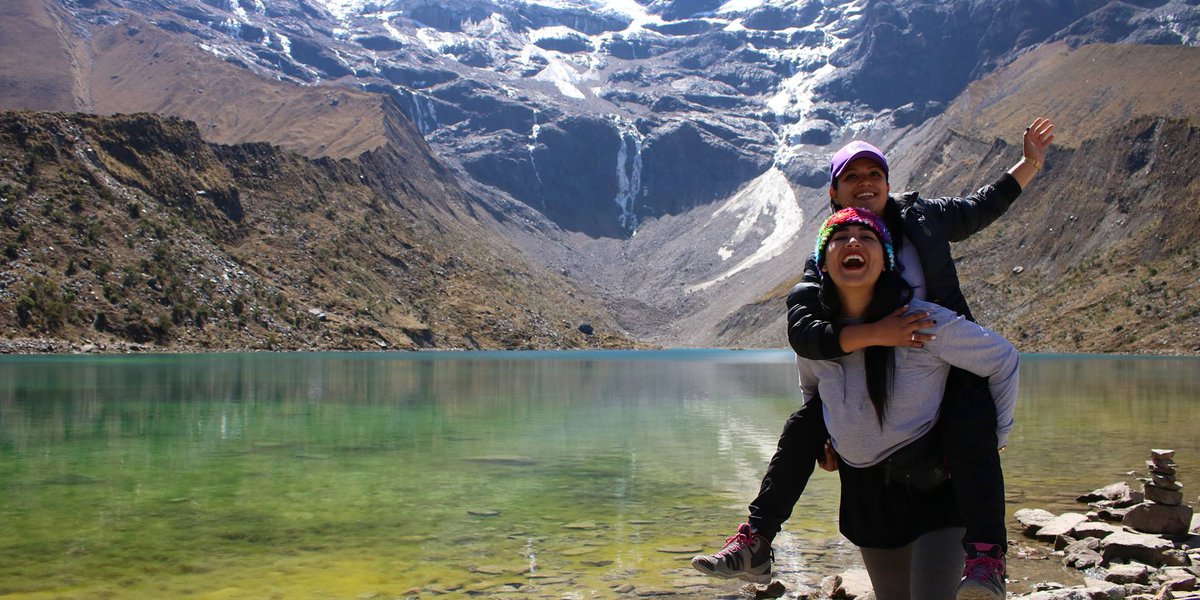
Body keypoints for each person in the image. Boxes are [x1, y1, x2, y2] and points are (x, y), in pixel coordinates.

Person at [692, 119, 1054, 598]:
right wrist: (833, 422)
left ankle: (987, 557)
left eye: (874, 174)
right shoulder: (823, 287)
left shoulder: (923, 232)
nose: (865, 184)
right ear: (833, 193)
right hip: (868, 478)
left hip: (939, 392)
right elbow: (807, 347)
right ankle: (757, 538)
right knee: (806, 422)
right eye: (852, 176)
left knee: (971, 422)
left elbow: (980, 208)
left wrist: (1029, 164)